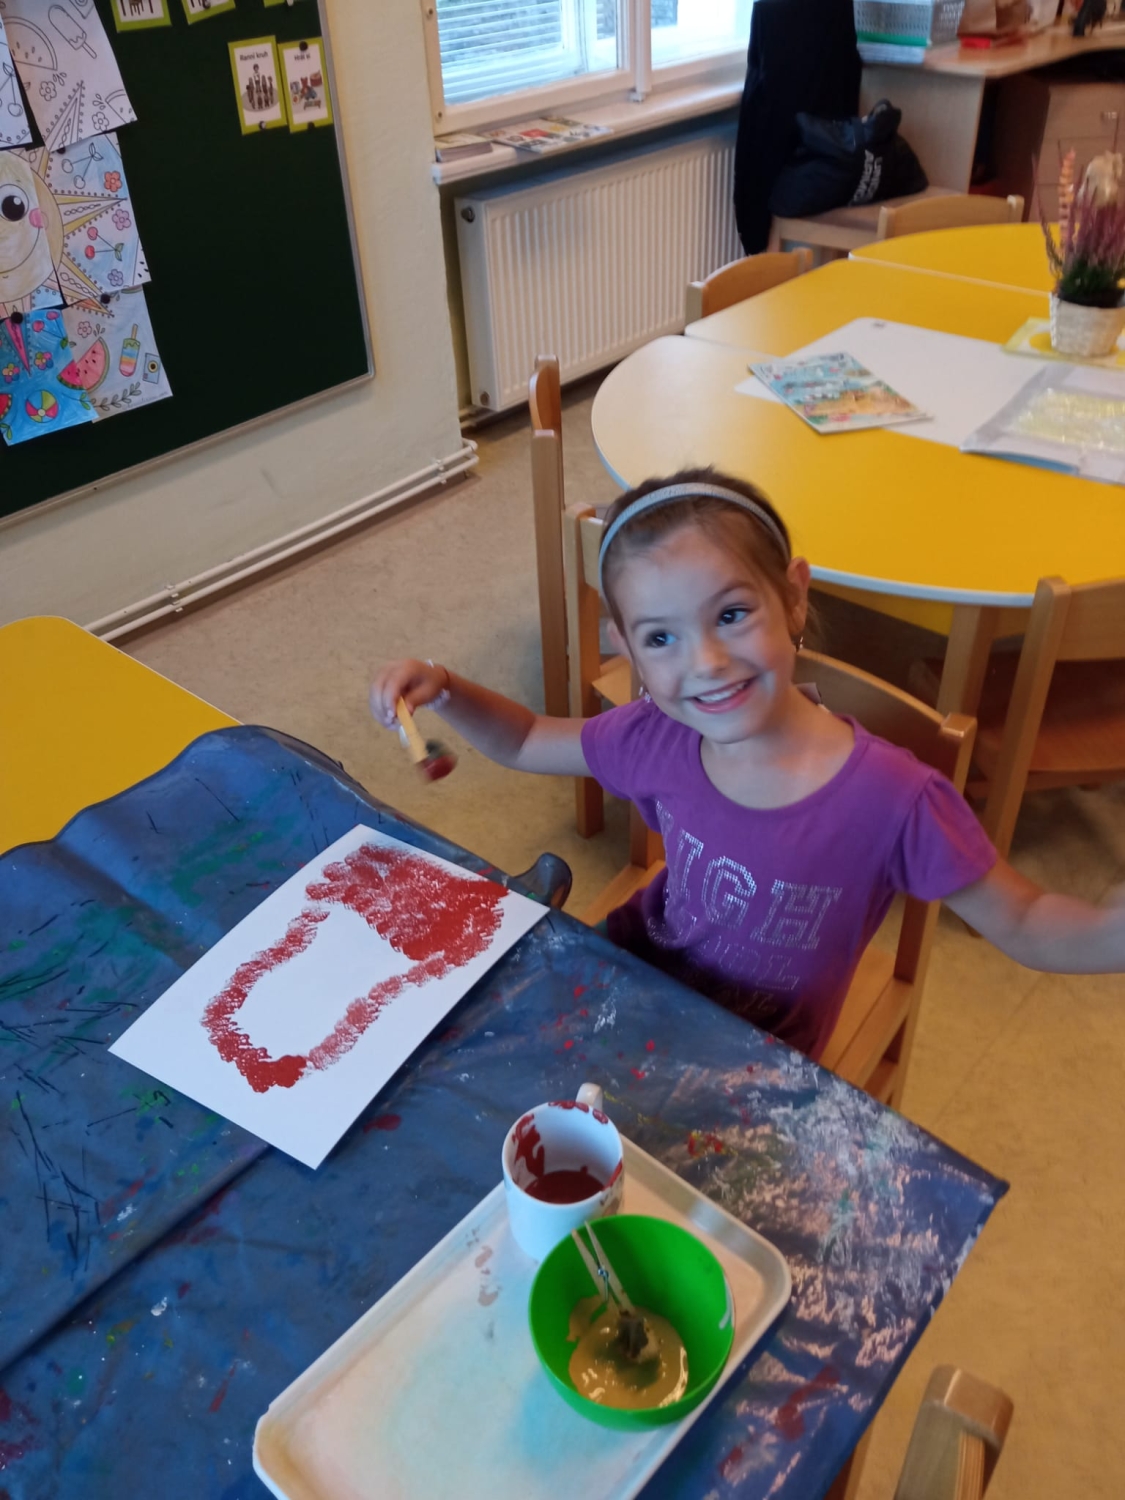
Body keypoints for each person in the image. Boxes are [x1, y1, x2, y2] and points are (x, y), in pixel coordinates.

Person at [371, 470, 1125, 1061]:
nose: (704, 662)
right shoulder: (655, 737)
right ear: (625, 649)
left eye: (731, 615)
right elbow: (528, 738)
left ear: (793, 598)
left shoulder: (894, 800)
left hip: (756, 1054)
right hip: (637, 973)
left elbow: (1023, 919)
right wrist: (447, 687)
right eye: (660, 639)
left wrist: (1108, 934)